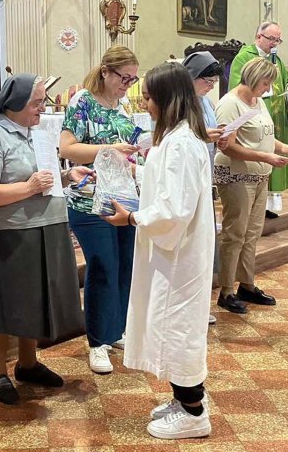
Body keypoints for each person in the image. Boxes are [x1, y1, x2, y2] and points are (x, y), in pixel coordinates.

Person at [0, 74, 89, 405]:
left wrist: (66, 175)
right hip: (7, 231)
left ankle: (28, 363)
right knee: (2, 304)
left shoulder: (37, 133)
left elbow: (44, 177)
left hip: (45, 225)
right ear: (14, 103)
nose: (43, 108)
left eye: (43, 101)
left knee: (33, 300)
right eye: (37, 103)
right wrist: (28, 188)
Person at [104, 63, 214, 440]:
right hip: (174, 253)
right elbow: (165, 186)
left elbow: (174, 209)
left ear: (167, 99)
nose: (145, 104)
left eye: (149, 97)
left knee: (178, 328)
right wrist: (128, 171)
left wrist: (132, 218)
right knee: (172, 325)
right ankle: (183, 401)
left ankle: (194, 412)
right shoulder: (176, 138)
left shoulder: (181, 144)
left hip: (179, 255)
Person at [59, 45, 140, 374]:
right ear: (105, 71)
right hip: (90, 198)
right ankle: (97, 342)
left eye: (133, 80)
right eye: (124, 78)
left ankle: (116, 330)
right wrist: (110, 149)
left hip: (123, 197)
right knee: (103, 266)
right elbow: (67, 149)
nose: (127, 85)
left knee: (124, 266)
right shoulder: (83, 102)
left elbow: (125, 154)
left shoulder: (124, 106)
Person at [216, 57, 288, 314]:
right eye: (266, 83)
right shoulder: (230, 103)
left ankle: (246, 284)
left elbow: (267, 137)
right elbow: (228, 146)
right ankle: (226, 291)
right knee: (235, 233)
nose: (268, 88)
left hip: (259, 175)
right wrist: (265, 157)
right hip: (236, 175)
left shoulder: (258, 101)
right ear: (253, 79)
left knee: (252, 233)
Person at [229, 22, 288, 217]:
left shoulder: (276, 60)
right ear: (258, 37)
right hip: (254, 117)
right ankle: (256, 207)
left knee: (274, 156)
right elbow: (238, 87)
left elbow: (286, 83)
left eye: (278, 40)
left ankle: (268, 205)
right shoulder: (245, 57)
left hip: (275, 116)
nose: (274, 43)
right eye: (271, 39)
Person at [182, 51, 229, 327]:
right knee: (188, 247)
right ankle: (186, 306)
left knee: (204, 245)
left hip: (204, 179)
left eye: (213, 82)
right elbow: (173, 139)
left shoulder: (206, 102)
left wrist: (220, 137)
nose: (211, 86)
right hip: (186, 180)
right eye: (207, 81)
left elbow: (207, 133)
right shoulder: (179, 103)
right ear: (192, 77)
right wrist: (204, 136)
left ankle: (200, 304)